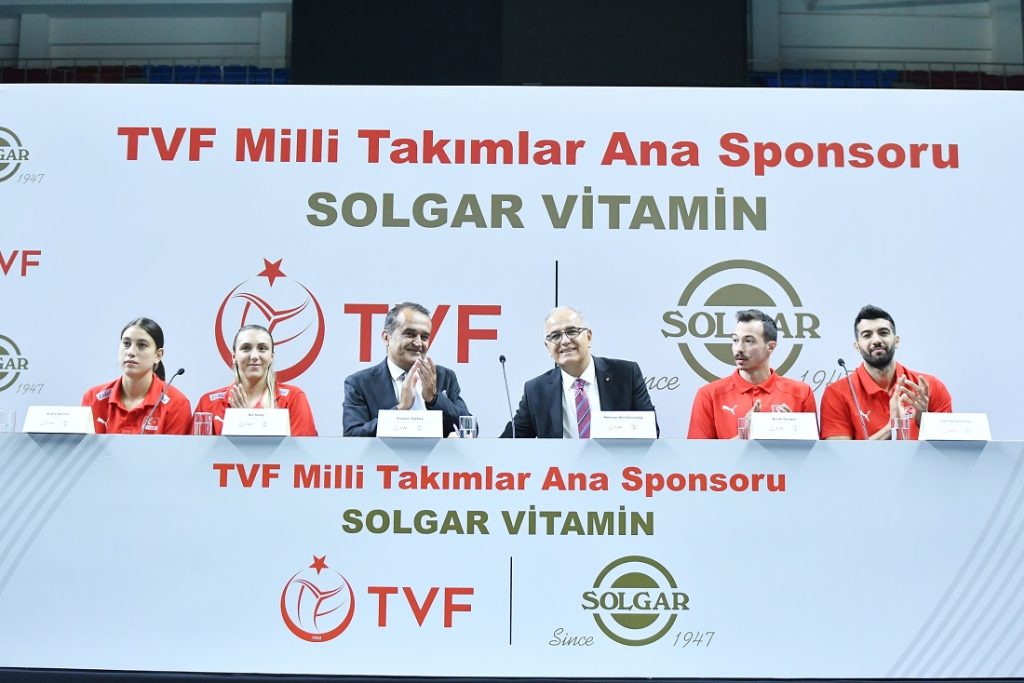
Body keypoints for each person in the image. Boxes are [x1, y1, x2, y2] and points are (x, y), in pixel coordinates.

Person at [500, 307, 657, 438]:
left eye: (572, 331)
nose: (565, 341)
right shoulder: (536, 390)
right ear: (548, 347)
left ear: (589, 337)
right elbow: (509, 442)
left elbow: (651, 431)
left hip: (617, 465)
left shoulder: (626, 374)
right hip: (560, 467)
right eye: (555, 336)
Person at [820, 304, 952, 440]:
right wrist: (892, 426)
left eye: (883, 333)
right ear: (857, 347)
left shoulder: (929, 387)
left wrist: (923, 421)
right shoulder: (836, 393)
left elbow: (947, 450)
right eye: (867, 335)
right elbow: (839, 452)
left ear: (896, 341)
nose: (876, 340)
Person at [343, 302, 471, 437]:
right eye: (410, 334)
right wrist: (400, 409)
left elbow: (469, 428)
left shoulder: (444, 376)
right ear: (386, 338)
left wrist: (434, 399)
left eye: (424, 337)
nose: (418, 343)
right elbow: (352, 435)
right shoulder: (360, 383)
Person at [688, 309, 815, 439]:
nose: (739, 349)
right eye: (735, 340)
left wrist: (795, 431)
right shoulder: (709, 395)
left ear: (771, 346)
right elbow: (696, 451)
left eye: (749, 341)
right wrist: (744, 435)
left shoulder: (802, 393)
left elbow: (814, 450)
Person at [193, 324, 317, 436]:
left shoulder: (293, 399)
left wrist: (246, 421)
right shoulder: (208, 404)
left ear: (271, 357)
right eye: (246, 348)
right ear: (234, 356)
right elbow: (195, 451)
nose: (254, 356)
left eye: (262, 348)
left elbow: (302, 452)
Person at [82, 317, 191, 434]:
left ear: (158, 355)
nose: (131, 352)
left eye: (142, 345)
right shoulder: (93, 398)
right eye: (126, 343)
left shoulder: (176, 404)